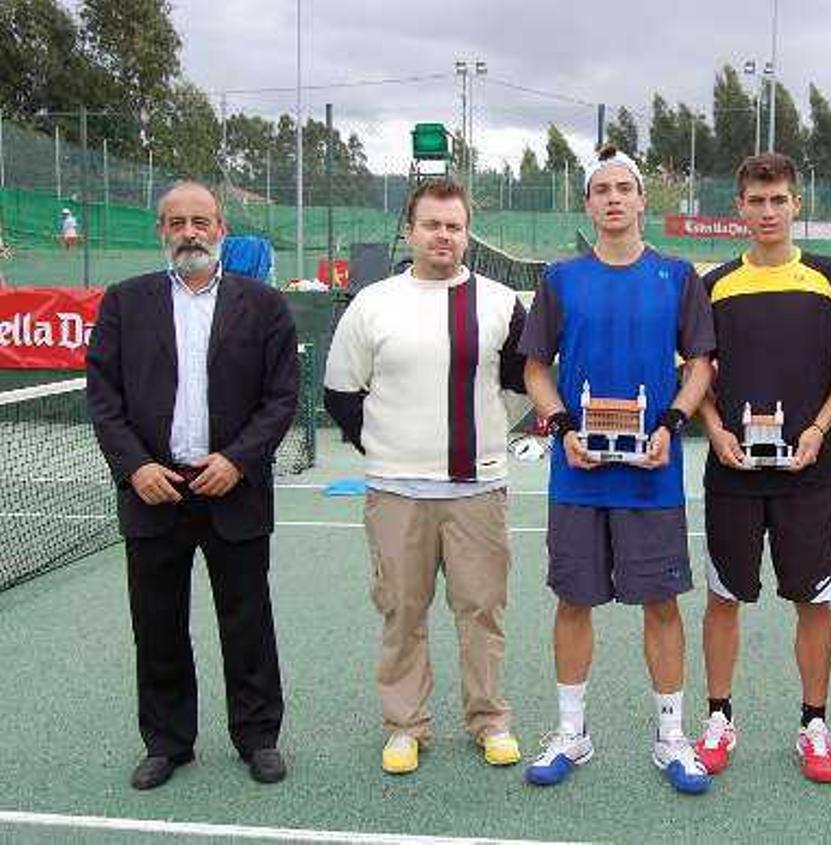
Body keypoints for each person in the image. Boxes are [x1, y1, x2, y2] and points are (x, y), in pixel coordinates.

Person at [86, 181, 298, 790]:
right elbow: (103, 398)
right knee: (157, 624)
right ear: (161, 232)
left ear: (221, 229)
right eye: (176, 222)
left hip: (235, 488)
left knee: (247, 620)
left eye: (200, 221)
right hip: (154, 490)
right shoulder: (125, 303)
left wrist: (237, 460)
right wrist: (136, 467)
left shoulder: (263, 305)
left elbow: (281, 398)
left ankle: (258, 737)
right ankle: (168, 743)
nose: (189, 232)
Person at [520, 145, 716, 794]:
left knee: (660, 602)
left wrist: (671, 424)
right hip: (576, 474)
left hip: (650, 474)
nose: (612, 198)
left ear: (640, 200)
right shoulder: (561, 279)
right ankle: (572, 733)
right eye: (600, 189)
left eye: (622, 188)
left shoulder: (678, 276)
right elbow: (534, 368)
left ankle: (671, 737)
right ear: (588, 204)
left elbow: (702, 364)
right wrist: (561, 427)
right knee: (574, 599)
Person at [323, 179, 527, 775]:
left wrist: (485, 434)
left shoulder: (499, 303)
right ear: (410, 230)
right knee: (402, 615)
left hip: (478, 490)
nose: (443, 235)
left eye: (454, 226)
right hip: (395, 493)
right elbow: (341, 393)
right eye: (432, 225)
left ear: (466, 234)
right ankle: (405, 727)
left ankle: (489, 720)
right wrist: (389, 447)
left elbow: (519, 387)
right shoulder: (373, 304)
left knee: (482, 612)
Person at [693, 153, 831, 784]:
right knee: (723, 596)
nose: (767, 213)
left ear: (797, 205)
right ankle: (718, 718)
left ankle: (814, 725)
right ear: (738, 207)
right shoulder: (713, 285)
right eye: (756, 202)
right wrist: (713, 430)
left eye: (779, 201)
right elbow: (697, 371)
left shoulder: (830, 277)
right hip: (732, 472)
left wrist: (819, 429)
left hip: (809, 473)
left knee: (813, 600)